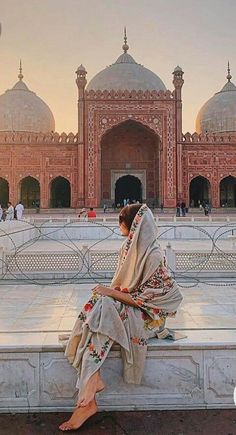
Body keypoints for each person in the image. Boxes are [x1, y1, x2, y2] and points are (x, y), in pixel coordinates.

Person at [58, 204, 184, 432]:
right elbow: (126, 290)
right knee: (102, 306)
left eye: (121, 221)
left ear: (134, 224)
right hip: (129, 312)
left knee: (102, 307)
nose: (119, 225)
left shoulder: (153, 254)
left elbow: (146, 301)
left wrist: (110, 292)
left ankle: (89, 388)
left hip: (148, 319)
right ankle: (91, 385)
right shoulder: (129, 248)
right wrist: (112, 292)